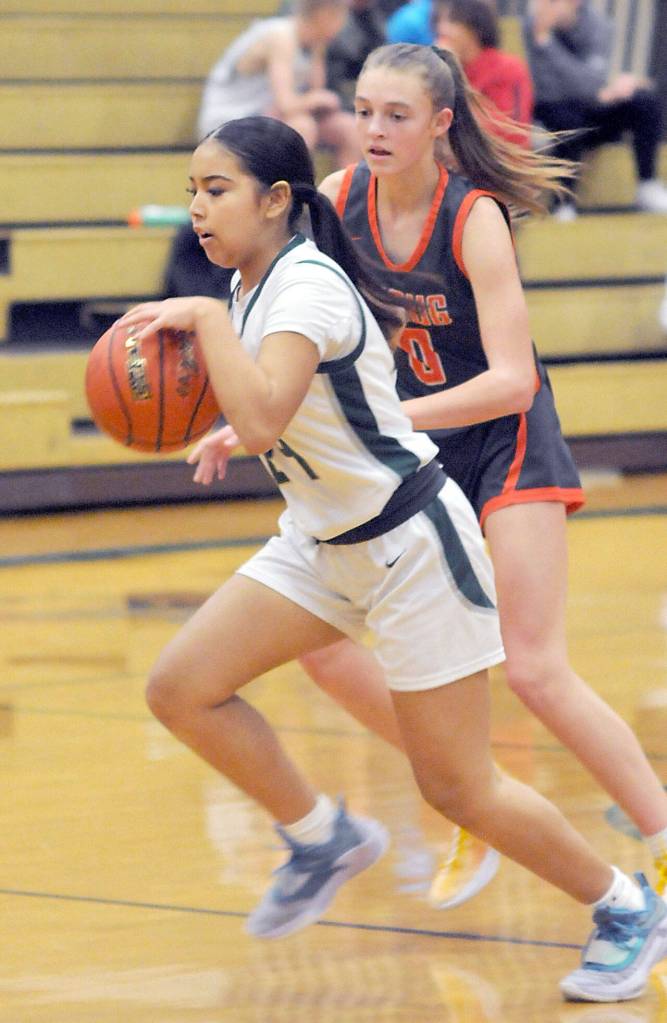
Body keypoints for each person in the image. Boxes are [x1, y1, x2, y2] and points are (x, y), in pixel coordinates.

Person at [122, 113, 667, 1004]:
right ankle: (320, 834)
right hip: (320, 541)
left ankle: (622, 903)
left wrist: (201, 332)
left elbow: (266, 413)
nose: (197, 209)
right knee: (180, 687)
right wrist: (226, 410)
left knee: (461, 788)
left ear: (275, 200)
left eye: (214, 190)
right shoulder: (251, 288)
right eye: (191, 191)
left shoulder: (304, 287)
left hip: (409, 544)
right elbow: (283, 408)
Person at [297, 39, 667, 932]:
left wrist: (390, 418)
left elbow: (510, 378)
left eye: (396, 114)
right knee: (322, 645)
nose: (375, 129)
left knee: (534, 668)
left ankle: (660, 830)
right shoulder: (339, 203)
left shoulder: (473, 218)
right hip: (417, 457)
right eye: (364, 110)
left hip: (503, 444)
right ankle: (473, 790)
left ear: (438, 123)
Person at [522, 0, 667, 218]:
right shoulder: (530, 28)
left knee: (644, 101)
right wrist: (545, 40)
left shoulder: (598, 25)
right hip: (550, 114)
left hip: (590, 111)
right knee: (565, 117)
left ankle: (647, 183)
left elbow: (591, 83)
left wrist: (547, 44)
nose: (543, 6)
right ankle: (564, 202)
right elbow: (546, 91)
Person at [197, 0, 359, 170]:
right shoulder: (281, 36)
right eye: (342, 15)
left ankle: (347, 194)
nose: (344, 24)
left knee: (349, 128)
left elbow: (316, 95)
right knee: (301, 126)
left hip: (269, 115)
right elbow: (287, 104)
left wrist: (318, 53)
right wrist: (318, 99)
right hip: (233, 119)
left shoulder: (314, 42)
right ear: (324, 14)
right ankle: (291, 193)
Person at [433, 0, 534, 147]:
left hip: (498, 162)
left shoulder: (508, 69)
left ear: (474, 28)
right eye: (439, 21)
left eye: (452, 21)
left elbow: (511, 131)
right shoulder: (442, 71)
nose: (442, 29)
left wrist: (454, 75)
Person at [326, 0, 388, 111]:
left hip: (368, 84)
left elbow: (382, 50)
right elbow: (348, 52)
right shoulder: (335, 12)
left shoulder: (372, 13)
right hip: (340, 89)